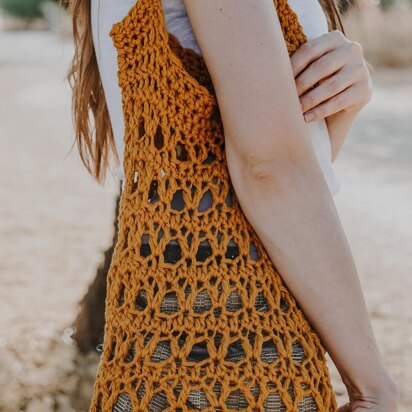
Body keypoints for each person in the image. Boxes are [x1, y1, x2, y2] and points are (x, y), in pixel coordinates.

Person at [67, 0, 399, 411]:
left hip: (175, 309)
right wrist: (371, 384)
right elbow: (270, 170)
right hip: (235, 321)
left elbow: (272, 170)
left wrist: (343, 107)